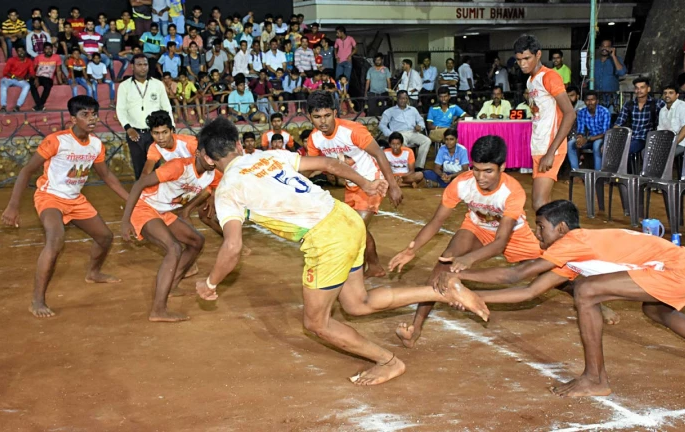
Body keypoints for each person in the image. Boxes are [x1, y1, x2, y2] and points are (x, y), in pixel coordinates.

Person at [194, 116, 489, 386]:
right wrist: (366, 184)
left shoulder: (228, 189)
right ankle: (443, 291)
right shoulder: (268, 156)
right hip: (345, 218)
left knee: (316, 322)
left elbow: (232, 247)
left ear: (208, 158)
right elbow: (328, 164)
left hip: (327, 240)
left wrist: (209, 284)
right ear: (236, 144)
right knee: (357, 303)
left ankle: (388, 361)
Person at [435, 199, 685, 397]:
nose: (538, 235)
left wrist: (463, 273)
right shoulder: (574, 251)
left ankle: (595, 380)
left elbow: (517, 274)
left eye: (541, 228)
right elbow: (530, 291)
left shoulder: (572, 242)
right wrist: (470, 295)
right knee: (656, 311)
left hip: (683, 270)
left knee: (586, 291)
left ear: (561, 229)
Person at [390, 135, 544, 346]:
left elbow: (500, 241)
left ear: (503, 167)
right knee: (443, 265)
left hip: (513, 235)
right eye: (476, 169)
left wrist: (469, 259)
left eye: (488, 171)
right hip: (475, 227)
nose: (480, 177)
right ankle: (415, 328)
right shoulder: (462, 183)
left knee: (550, 269)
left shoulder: (513, 191)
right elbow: (436, 222)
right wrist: (413, 249)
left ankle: (589, 297)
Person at [1, 96, 128, 318]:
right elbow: (26, 171)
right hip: (50, 197)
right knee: (55, 240)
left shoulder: (97, 144)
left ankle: (93, 273)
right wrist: (13, 207)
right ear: (72, 118)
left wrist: (131, 200)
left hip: (76, 199)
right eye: (84, 115)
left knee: (105, 237)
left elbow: (107, 176)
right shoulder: (56, 140)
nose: (91, 119)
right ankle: (37, 300)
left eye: (94, 114)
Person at [121, 137, 220, 322]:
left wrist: (202, 203)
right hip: (145, 207)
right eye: (209, 156)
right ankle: (158, 309)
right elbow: (139, 184)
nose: (212, 160)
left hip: (163, 211)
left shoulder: (211, 173)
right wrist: (125, 220)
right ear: (198, 153)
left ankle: (172, 284)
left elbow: (211, 189)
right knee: (173, 248)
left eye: (216, 157)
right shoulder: (178, 166)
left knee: (196, 241)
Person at [305, 91, 403, 278]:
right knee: (359, 228)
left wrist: (393, 185)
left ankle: (354, 269)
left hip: (373, 181)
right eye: (317, 117)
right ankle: (374, 266)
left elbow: (379, 154)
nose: (323, 121)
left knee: (354, 226)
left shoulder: (352, 130)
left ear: (335, 113)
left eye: (327, 115)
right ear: (310, 117)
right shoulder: (314, 139)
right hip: (351, 185)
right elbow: (311, 166)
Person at [515, 34, 576, 211]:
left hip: (550, 147)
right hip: (539, 145)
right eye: (519, 60)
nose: (523, 64)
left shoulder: (550, 77)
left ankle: (557, 236)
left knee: (539, 203)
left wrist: (551, 151)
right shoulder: (530, 80)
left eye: (527, 58)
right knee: (545, 205)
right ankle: (554, 237)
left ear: (538, 54)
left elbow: (570, 114)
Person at [116, 54, 175, 179]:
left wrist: (171, 127)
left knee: (155, 165)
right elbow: (120, 110)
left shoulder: (158, 84)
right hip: (134, 133)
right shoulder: (124, 86)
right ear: (132, 66)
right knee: (139, 166)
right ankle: (142, 194)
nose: (143, 68)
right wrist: (128, 128)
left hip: (154, 132)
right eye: (139, 65)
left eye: (145, 64)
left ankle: (156, 193)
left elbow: (166, 107)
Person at [378, 90, 432, 170]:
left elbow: (420, 121)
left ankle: (418, 166)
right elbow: (382, 125)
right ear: (397, 99)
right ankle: (405, 166)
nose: (403, 100)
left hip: (413, 132)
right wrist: (391, 134)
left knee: (427, 140)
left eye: (405, 98)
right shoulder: (390, 111)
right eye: (401, 98)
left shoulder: (413, 110)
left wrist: (420, 126)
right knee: (401, 142)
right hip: (399, 133)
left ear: (408, 99)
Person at [614, 77, 665, 156]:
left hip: (647, 138)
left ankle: (627, 168)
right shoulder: (629, 104)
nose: (639, 91)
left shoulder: (657, 103)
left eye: (642, 88)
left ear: (648, 89)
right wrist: (612, 139)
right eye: (637, 88)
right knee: (614, 147)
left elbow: (665, 122)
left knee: (626, 150)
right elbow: (618, 123)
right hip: (630, 137)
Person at [569, 90, 611, 170]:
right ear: (584, 101)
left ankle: (598, 175)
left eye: (592, 100)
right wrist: (579, 138)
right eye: (587, 100)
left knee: (596, 145)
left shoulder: (604, 112)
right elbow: (580, 130)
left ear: (597, 101)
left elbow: (606, 133)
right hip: (588, 139)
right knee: (571, 144)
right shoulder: (582, 112)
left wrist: (587, 139)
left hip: (602, 139)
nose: (590, 102)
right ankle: (576, 173)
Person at [658, 84, 685, 157]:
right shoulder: (662, 110)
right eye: (665, 93)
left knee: (664, 155)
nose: (667, 95)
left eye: (671, 93)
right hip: (669, 142)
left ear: (677, 95)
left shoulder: (683, 107)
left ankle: (666, 168)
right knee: (646, 152)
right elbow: (661, 130)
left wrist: (673, 143)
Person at [0, 46, 33, 113]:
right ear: (17, 52)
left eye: (22, 50)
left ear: (25, 51)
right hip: (9, 78)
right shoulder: (11, 60)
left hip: (20, 80)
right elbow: (5, 72)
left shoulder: (29, 61)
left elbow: (31, 73)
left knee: (27, 86)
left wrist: (26, 78)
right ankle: (3, 106)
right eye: (19, 51)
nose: (21, 52)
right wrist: (15, 77)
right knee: (3, 85)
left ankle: (17, 106)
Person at [31, 42, 64, 111]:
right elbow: (32, 70)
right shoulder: (38, 58)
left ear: (52, 49)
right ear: (43, 50)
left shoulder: (57, 57)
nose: (48, 50)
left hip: (48, 78)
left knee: (48, 86)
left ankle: (39, 105)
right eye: (46, 49)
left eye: (50, 49)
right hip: (38, 77)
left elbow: (58, 71)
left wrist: (60, 82)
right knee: (32, 85)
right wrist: (35, 78)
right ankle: (40, 105)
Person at [593, 40, 627, 106]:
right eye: (603, 46)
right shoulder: (594, 63)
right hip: (597, 98)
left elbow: (622, 72)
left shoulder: (617, 60)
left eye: (608, 47)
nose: (605, 48)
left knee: (611, 115)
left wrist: (613, 56)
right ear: (600, 48)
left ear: (612, 48)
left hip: (612, 99)